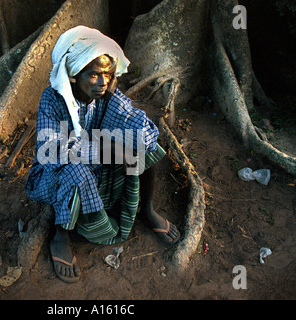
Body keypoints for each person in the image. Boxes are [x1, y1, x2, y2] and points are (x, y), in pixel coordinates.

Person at [25, 26, 180, 283]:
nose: (102, 82)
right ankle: (60, 237)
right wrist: (106, 149)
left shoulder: (107, 97)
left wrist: (122, 145)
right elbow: (50, 152)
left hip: (97, 170)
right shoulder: (52, 99)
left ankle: (147, 209)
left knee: (142, 151)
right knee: (77, 170)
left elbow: (147, 133)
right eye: (94, 75)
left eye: (108, 74)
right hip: (54, 176)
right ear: (75, 74)